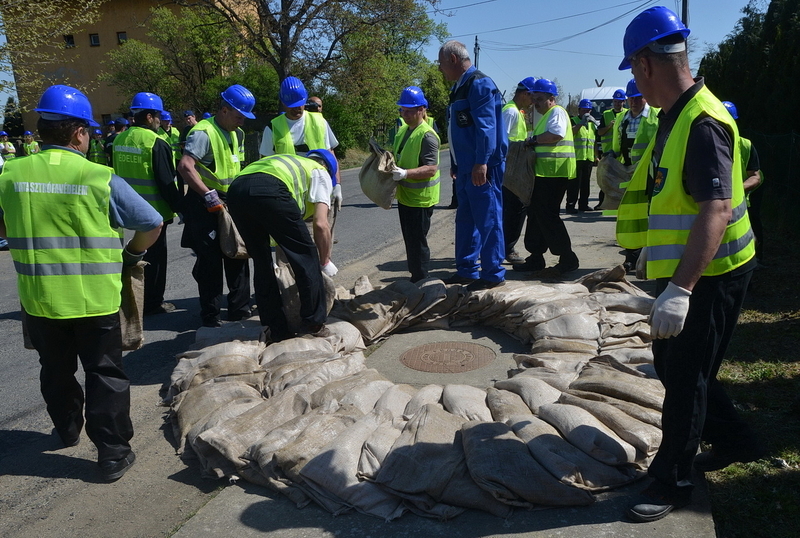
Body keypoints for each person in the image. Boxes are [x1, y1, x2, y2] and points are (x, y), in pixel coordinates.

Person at [616, 6, 762, 523]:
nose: (636, 82)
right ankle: (738, 438)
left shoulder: (701, 123)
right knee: (679, 367)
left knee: (685, 378)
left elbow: (716, 211)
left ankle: (673, 481)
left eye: (633, 70)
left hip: (712, 274)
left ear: (646, 63)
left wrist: (679, 290)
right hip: (690, 271)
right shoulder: (673, 117)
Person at [0, 84, 163, 481]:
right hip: (96, 300)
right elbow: (151, 222)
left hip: (40, 299)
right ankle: (111, 454)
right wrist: (131, 257)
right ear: (78, 133)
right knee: (104, 373)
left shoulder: (10, 173)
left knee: (54, 369)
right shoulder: (98, 177)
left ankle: (67, 428)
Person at [227, 150, 337, 341]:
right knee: (306, 256)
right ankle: (313, 324)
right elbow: (321, 224)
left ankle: (275, 328)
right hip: (269, 189)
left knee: (262, 263)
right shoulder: (320, 172)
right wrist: (325, 260)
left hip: (236, 191)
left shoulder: (284, 161)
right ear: (328, 168)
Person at [177, 84, 255, 328]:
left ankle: (239, 311)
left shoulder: (236, 133)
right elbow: (186, 166)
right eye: (238, 116)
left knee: (238, 254)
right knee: (210, 261)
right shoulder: (203, 133)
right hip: (205, 204)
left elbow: (236, 167)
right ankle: (211, 317)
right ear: (224, 110)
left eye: (244, 117)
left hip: (229, 201)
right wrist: (208, 195)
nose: (241, 121)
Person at [438, 40, 506, 291]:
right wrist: (456, 163)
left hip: (482, 167)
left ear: (453, 60)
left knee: (488, 219)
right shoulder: (459, 87)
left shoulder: (479, 84)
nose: (441, 69)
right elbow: (458, 130)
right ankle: (467, 270)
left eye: (442, 64)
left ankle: (492, 273)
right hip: (466, 167)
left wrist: (481, 162)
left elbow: (486, 128)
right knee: (466, 220)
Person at [113, 92, 182, 316]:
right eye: (159, 117)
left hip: (126, 208)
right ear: (150, 116)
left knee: (133, 257)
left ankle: (130, 299)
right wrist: (181, 208)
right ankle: (153, 303)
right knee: (155, 260)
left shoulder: (120, 139)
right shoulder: (156, 142)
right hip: (154, 211)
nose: (160, 121)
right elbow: (165, 181)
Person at [513, 78, 579, 276]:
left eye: (540, 99)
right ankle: (536, 257)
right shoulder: (545, 115)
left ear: (552, 98)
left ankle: (567, 257)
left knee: (547, 215)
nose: (535, 103)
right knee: (536, 214)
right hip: (544, 173)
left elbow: (556, 135)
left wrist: (532, 140)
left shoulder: (556, 112)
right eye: (534, 99)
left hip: (555, 172)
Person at [389, 86, 441, 283]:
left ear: (422, 109)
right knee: (411, 241)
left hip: (421, 200)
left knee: (418, 243)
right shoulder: (403, 129)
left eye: (410, 110)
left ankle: (421, 280)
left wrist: (405, 174)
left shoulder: (427, 135)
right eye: (403, 109)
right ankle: (416, 277)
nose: (406, 113)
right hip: (406, 197)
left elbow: (431, 169)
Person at [724, 100, 765, 265]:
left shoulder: (745, 145)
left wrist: (738, 188)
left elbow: (756, 175)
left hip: (745, 198)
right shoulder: (709, 143)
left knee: (752, 225)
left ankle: (757, 259)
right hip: (721, 198)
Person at [501, 77, 535, 264]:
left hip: (515, 166)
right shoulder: (511, 112)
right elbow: (502, 140)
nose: (533, 101)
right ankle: (507, 249)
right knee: (514, 210)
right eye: (531, 96)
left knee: (514, 209)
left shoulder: (517, 111)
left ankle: (505, 247)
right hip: (510, 168)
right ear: (524, 94)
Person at [611, 78, 659, 167]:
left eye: (638, 98)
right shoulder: (621, 118)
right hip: (627, 168)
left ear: (646, 97)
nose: (634, 102)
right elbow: (617, 146)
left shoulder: (657, 115)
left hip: (648, 170)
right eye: (631, 98)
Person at [567, 98, 599, 213]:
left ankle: (583, 204)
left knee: (586, 184)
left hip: (588, 158)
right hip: (576, 158)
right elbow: (570, 133)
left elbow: (593, 141)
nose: (587, 113)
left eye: (589, 111)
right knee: (574, 184)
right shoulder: (574, 121)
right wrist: (581, 123)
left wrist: (596, 156)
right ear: (579, 110)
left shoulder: (591, 124)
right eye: (584, 110)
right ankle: (570, 205)